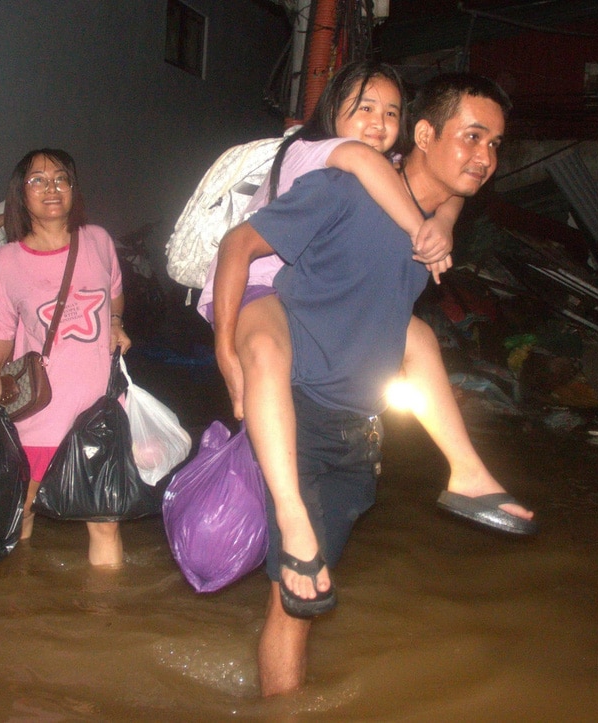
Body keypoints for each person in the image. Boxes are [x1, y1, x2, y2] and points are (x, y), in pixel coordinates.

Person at [213, 72, 519, 695]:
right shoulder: (341, 186)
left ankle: (465, 472)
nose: (485, 157)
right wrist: (225, 353)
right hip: (302, 417)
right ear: (425, 136)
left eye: (495, 145)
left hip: (359, 432)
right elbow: (238, 245)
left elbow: (440, 205)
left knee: (419, 339)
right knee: (293, 610)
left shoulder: (435, 214)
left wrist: (448, 218)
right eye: (473, 137)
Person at [0, 148, 132, 566]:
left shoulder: (98, 241)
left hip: (100, 404)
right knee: (22, 509)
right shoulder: (7, 261)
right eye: (38, 180)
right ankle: (19, 603)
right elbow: (1, 330)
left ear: (73, 189)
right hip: (42, 408)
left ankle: (105, 619)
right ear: (20, 195)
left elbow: (115, 291)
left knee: (104, 520)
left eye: (60, 179)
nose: (51, 188)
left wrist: (115, 323)